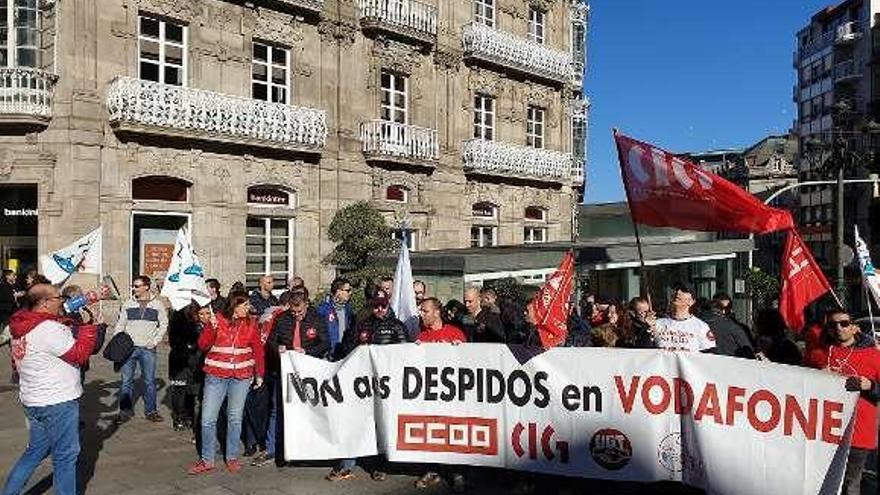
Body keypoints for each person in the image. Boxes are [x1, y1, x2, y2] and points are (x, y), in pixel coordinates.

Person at [2, 284, 97, 495]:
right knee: (65, 456)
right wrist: (89, 327)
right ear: (45, 303)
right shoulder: (48, 329)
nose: (62, 301)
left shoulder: (19, 324)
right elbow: (80, 355)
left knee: (35, 451)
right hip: (57, 401)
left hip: (33, 400)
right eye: (58, 298)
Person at [327, 290, 408, 482]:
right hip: (362, 382)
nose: (379, 309)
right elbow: (348, 347)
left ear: (388, 306)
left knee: (382, 425)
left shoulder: (397, 326)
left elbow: (405, 354)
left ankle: (380, 466)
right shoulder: (363, 324)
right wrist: (359, 350)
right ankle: (346, 464)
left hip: (386, 385)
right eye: (376, 306)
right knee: (357, 422)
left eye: (383, 305)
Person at [803, 309, 880, 495]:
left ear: (854, 327)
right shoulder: (817, 354)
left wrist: (870, 385)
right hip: (823, 432)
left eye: (844, 323)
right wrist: (816, 377)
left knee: (850, 486)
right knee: (820, 483)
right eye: (832, 324)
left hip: (858, 433)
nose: (838, 328)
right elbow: (799, 385)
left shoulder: (874, 356)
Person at [188, 293, 265, 475]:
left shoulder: (252, 323)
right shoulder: (217, 321)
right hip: (216, 375)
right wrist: (211, 328)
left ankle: (231, 457)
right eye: (244, 305)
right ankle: (207, 460)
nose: (248, 308)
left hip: (242, 376)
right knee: (207, 419)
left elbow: (258, 350)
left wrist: (259, 374)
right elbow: (203, 345)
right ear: (234, 306)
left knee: (234, 418)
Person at [264, 293, 330, 467]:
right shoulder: (282, 319)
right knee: (277, 409)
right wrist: (277, 347)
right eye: (293, 312)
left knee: (306, 410)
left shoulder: (317, 318)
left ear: (306, 305)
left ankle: (306, 449)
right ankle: (273, 448)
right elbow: (271, 340)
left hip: (308, 372)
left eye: (299, 312)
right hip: (285, 371)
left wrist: (307, 352)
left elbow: (325, 343)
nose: (296, 315)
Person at [414, 297, 467, 491]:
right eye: (421, 311)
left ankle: (457, 471)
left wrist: (459, 351)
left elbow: (470, 363)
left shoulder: (455, 333)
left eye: (425, 311)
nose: (422, 314)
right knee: (432, 433)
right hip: (430, 396)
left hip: (453, 396)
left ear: (437, 312)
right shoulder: (421, 338)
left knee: (454, 433)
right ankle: (432, 470)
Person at [113, 275, 168, 423]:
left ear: (146, 287)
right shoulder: (128, 303)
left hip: (147, 348)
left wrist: (155, 341)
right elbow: (120, 323)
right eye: (133, 286)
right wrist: (117, 339)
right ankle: (125, 412)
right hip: (129, 348)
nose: (134, 288)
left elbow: (163, 324)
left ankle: (151, 411)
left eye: (137, 286)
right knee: (126, 381)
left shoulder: (157, 304)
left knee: (149, 381)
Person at [168, 302, 208, 431]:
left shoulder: (201, 324)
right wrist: (188, 345)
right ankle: (179, 417)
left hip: (194, 361)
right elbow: (173, 340)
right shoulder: (178, 317)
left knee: (191, 390)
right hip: (180, 360)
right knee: (180, 389)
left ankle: (187, 416)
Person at [653, 284, 715, 353]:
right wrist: (648, 327)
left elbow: (708, 355)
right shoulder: (658, 323)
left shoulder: (701, 326)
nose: (678, 292)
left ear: (691, 301)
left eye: (684, 291)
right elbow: (646, 351)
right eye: (676, 289)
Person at [316, 277, 354, 359]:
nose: (350, 293)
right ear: (338, 291)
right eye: (347, 290)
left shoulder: (348, 309)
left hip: (344, 354)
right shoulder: (323, 309)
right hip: (328, 355)